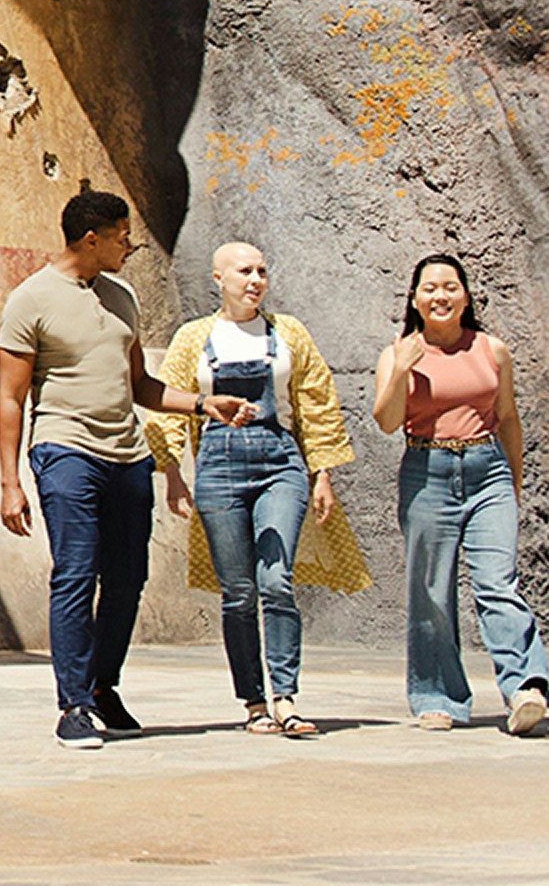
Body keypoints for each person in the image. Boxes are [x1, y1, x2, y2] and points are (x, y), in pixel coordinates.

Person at [0, 188, 253, 749]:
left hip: (128, 456)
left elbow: (141, 386)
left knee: (128, 580)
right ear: (92, 239)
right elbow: (11, 399)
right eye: (121, 236)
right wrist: (10, 482)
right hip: (65, 453)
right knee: (74, 575)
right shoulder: (30, 300)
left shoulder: (123, 297)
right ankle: (74, 706)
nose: (129, 245)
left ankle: (102, 685)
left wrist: (205, 403)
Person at [145, 242, 371, 737]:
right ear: (217, 278)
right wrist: (173, 472)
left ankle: (286, 697)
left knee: (276, 580)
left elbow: (316, 401)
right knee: (239, 592)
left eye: (262, 271)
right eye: (244, 271)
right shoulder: (193, 337)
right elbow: (170, 402)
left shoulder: (288, 333)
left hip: (280, 464)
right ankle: (253, 703)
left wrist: (324, 472)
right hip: (219, 471)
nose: (255, 280)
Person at [372, 251, 549, 735]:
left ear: (466, 295)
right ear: (414, 298)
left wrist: (512, 483)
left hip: (487, 470)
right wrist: (401, 370)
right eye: (430, 288)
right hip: (426, 470)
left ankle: (525, 688)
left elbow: (509, 418)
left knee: (498, 582)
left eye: (450, 287)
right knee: (431, 592)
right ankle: (439, 697)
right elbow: (388, 421)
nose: (440, 296)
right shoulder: (398, 353)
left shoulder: (491, 349)